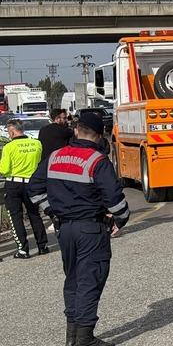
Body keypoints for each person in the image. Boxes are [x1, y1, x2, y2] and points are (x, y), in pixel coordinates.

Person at [27, 112, 129, 346]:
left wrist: (53, 212)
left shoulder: (55, 156)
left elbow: (34, 189)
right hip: (90, 229)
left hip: (65, 229)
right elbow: (116, 201)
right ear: (100, 135)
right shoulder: (97, 161)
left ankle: (72, 338)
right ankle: (84, 339)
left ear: (76, 130)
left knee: (72, 280)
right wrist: (119, 221)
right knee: (90, 280)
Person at [1, 119, 48, 258]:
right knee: (34, 214)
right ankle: (42, 246)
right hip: (32, 184)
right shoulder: (36, 143)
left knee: (15, 216)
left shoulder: (9, 147)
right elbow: (39, 162)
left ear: (12, 132)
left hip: (14, 184)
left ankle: (23, 249)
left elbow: (4, 169)